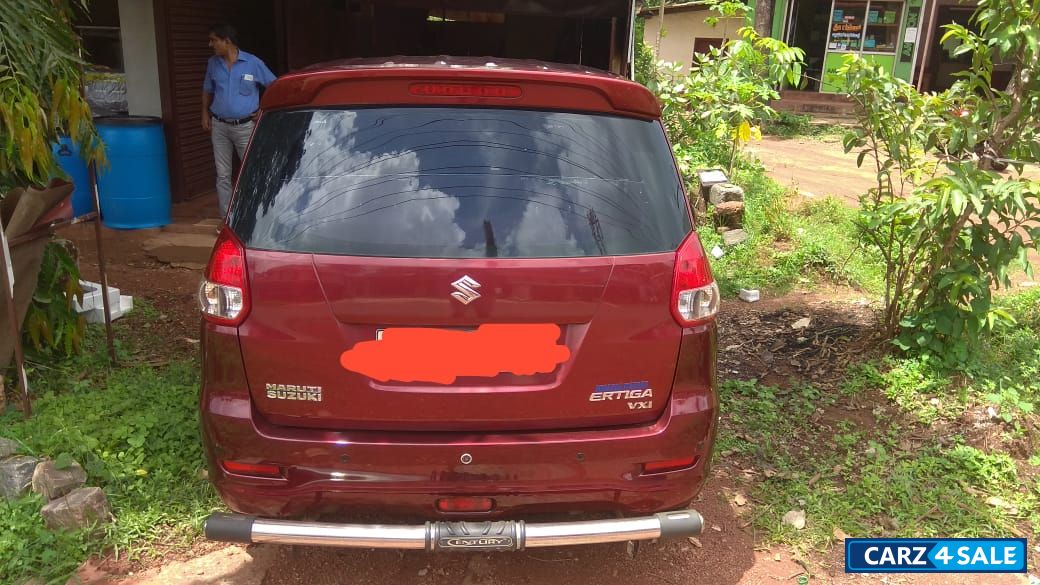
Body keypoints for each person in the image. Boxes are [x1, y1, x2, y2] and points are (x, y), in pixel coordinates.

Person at [202, 23, 276, 218]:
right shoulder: (213, 64)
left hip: (244, 127)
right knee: (223, 175)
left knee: (251, 171)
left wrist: (264, 110)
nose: (211, 44)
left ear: (227, 41)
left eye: (214, 40)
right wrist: (204, 113)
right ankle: (227, 218)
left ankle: (256, 216)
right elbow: (207, 90)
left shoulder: (253, 63)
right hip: (219, 126)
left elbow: (275, 86)